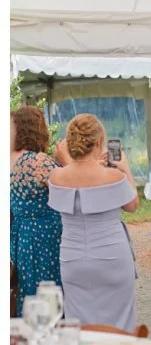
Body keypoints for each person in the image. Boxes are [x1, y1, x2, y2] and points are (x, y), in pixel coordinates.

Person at [48, 114, 140, 330]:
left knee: (79, 324)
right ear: (99, 142)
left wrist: (69, 162)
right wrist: (125, 168)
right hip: (113, 258)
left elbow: (77, 178)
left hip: (72, 258)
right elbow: (132, 205)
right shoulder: (113, 177)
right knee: (120, 324)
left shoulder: (56, 176)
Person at [10, 106, 63, 316]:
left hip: (21, 235)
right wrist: (66, 161)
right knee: (48, 292)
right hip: (45, 236)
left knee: (27, 289)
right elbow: (69, 188)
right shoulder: (36, 161)